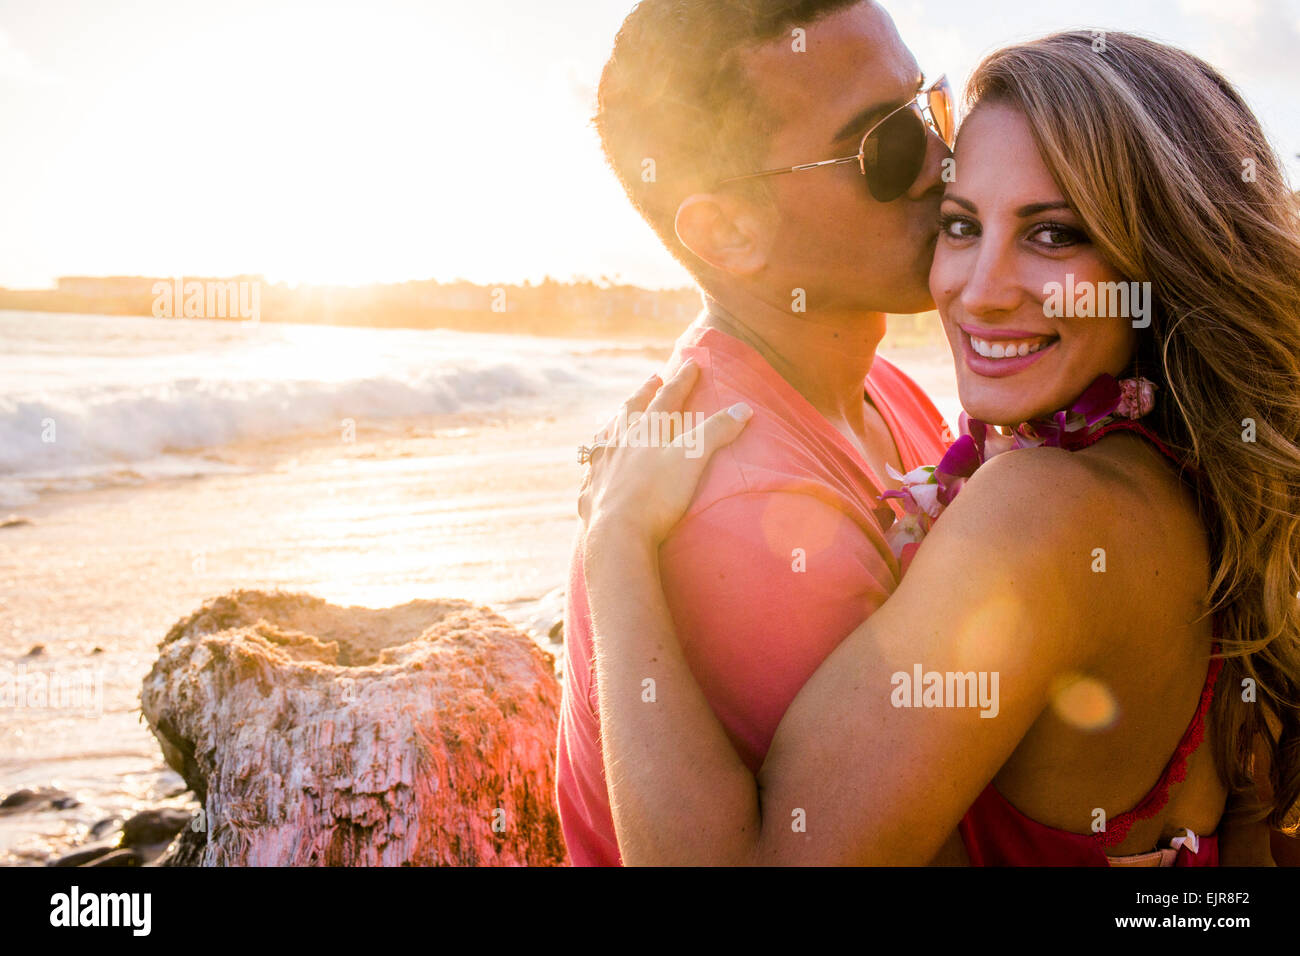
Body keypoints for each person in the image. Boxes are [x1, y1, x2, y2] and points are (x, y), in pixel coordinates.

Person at [577, 29, 1300, 865]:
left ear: (1161, 252)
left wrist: (614, 541)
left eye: (1055, 235)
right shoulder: (1197, 473)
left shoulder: (1038, 511)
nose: (980, 291)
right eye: (963, 223)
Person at [556, 0, 959, 865]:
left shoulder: (877, 385)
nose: (941, 162)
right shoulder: (749, 507)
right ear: (729, 232)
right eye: (882, 144)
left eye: (930, 110)